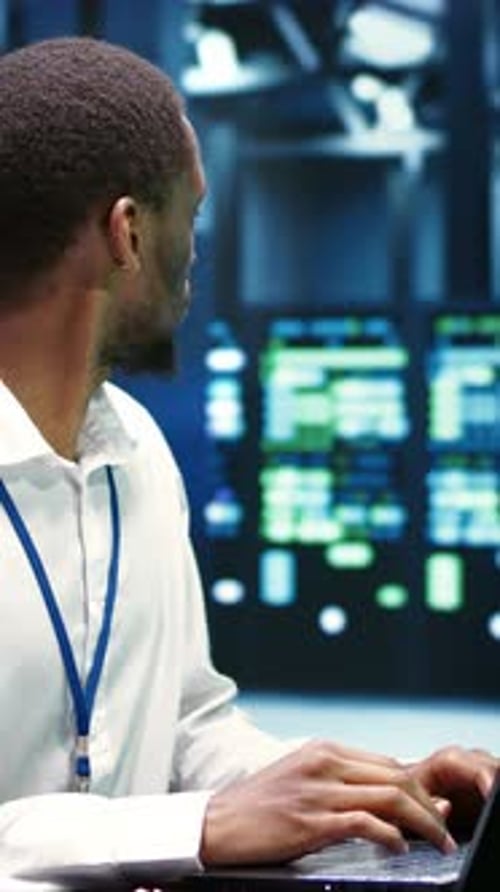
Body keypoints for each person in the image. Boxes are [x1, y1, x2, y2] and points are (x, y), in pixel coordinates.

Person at [0, 35, 496, 883]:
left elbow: (188, 725)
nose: (196, 257)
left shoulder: (139, 455)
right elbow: (191, 815)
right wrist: (188, 827)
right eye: (190, 218)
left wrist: (367, 794)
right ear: (126, 233)